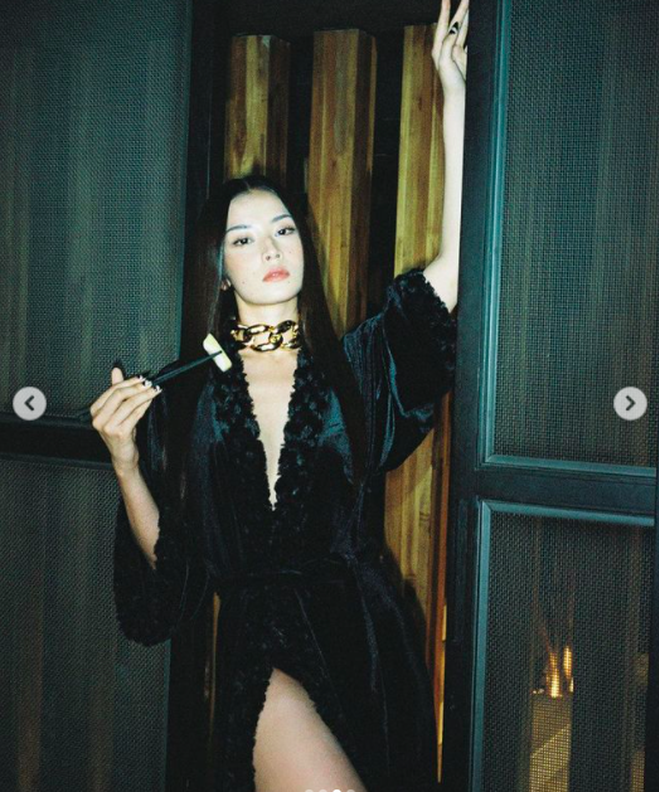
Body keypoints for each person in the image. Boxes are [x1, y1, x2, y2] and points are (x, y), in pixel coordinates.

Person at [91, 1, 468, 789]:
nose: (270, 247)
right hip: (262, 651)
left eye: (284, 229)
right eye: (244, 238)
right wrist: (125, 462)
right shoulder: (182, 396)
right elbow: (175, 578)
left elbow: (454, 265)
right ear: (220, 269)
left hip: (367, 647)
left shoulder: (359, 365)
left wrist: (453, 94)